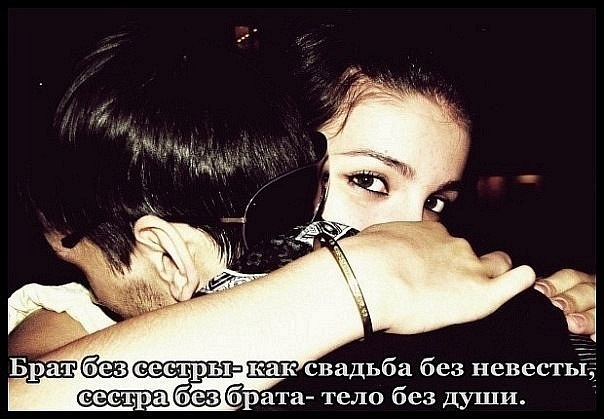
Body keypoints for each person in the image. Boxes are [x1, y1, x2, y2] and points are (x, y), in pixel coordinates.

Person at [8, 23, 538, 410]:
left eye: (437, 202)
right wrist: (363, 283)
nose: (412, 232)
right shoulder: (99, 310)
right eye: (369, 180)